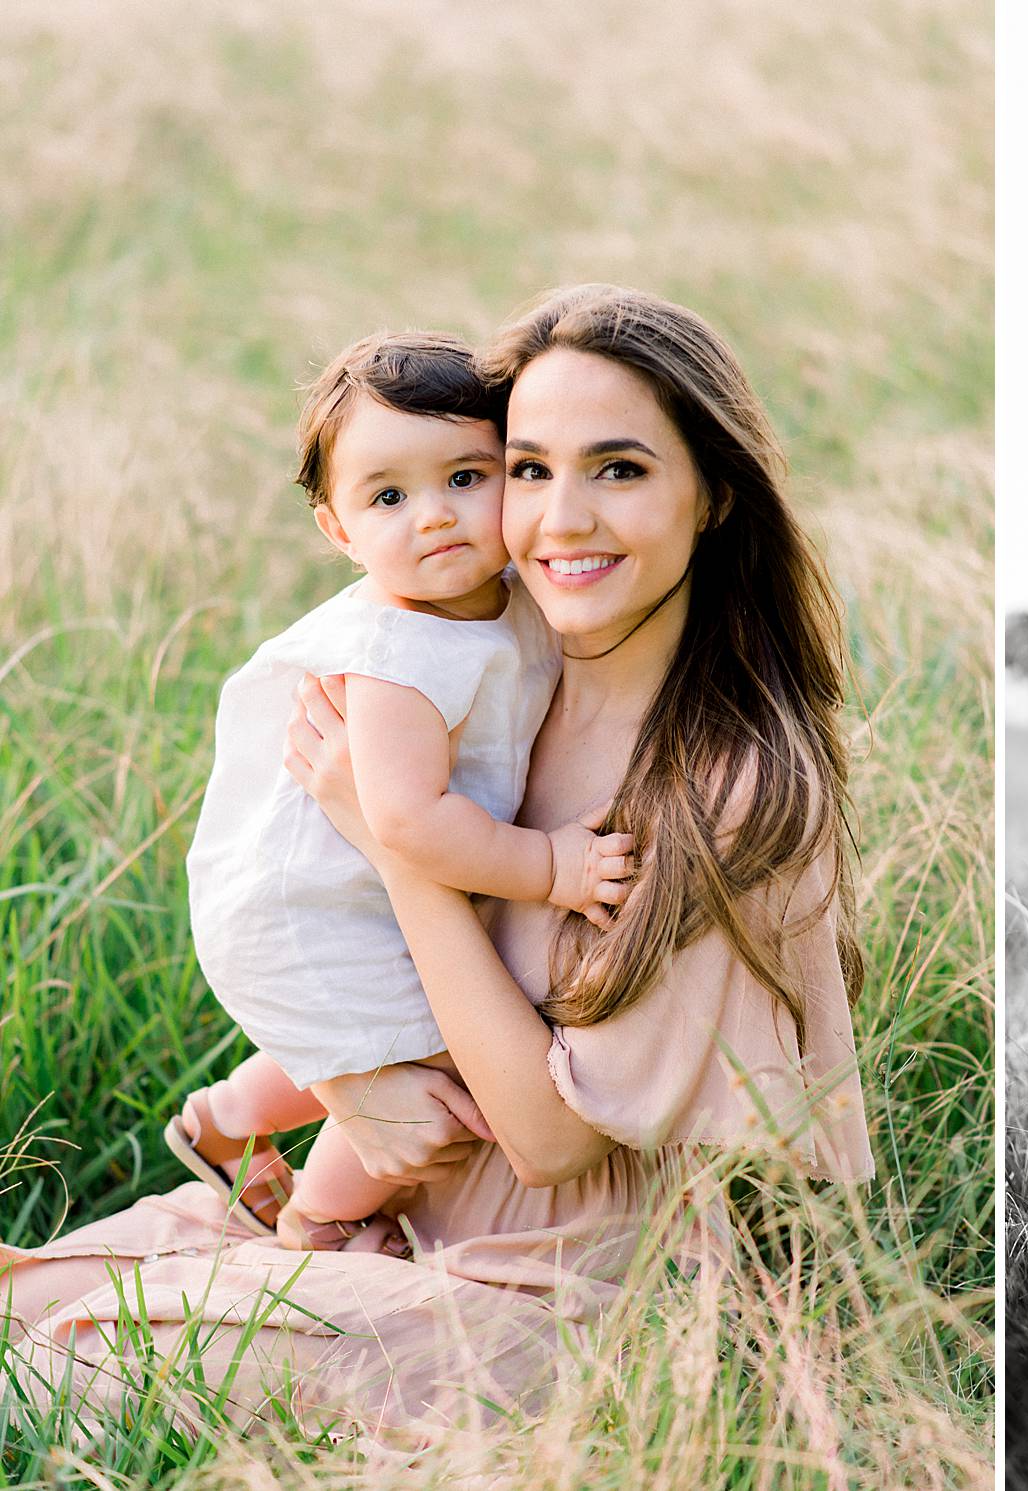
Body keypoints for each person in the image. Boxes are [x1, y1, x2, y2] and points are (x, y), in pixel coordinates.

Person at [0, 285, 874, 1439]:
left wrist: (392, 841)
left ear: (712, 494)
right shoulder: (493, 680)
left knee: (66, 1368)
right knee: (27, 1306)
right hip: (404, 1209)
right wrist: (347, 1074)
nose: (560, 519)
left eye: (618, 469)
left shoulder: (729, 782)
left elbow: (554, 1141)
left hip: (548, 1296)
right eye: (524, 469)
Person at [171, 331, 633, 1252]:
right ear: (339, 529)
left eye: (468, 477)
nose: (435, 516)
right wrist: (552, 868)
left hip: (349, 885)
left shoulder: (506, 591)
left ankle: (222, 1121)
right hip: (308, 904)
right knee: (436, 1050)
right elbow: (408, 821)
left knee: (374, 1028)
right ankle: (322, 1213)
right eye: (389, 496)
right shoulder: (397, 656)